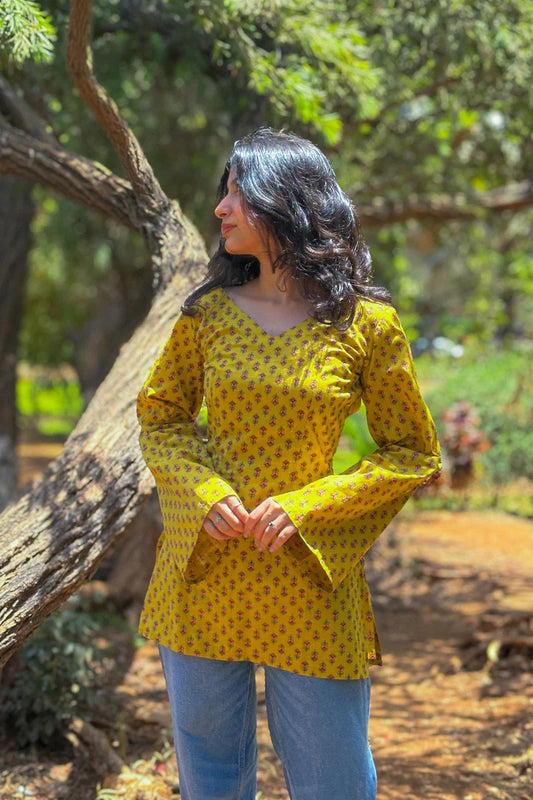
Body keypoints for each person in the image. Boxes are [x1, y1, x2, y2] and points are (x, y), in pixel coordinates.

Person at [136, 127, 441, 800]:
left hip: (307, 577)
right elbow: (160, 417)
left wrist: (307, 508)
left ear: (286, 202)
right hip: (202, 572)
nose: (220, 207)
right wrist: (201, 488)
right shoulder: (207, 317)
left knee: (333, 778)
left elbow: (412, 453)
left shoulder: (365, 325)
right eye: (223, 192)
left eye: (237, 192)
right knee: (210, 775)